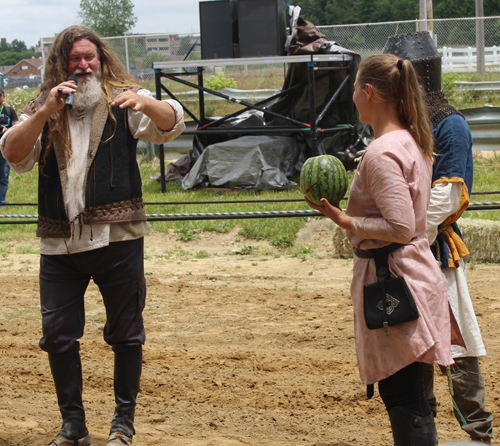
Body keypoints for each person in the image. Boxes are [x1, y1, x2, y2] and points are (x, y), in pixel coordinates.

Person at [0, 26, 185, 446]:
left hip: (117, 239)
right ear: (61, 63)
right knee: (58, 334)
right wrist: (45, 112)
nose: (83, 66)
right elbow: (13, 155)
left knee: (126, 332)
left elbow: (172, 122)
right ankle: (73, 427)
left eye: (90, 58)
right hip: (59, 243)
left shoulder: (124, 96)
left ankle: (122, 425)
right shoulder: (42, 104)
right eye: (74, 59)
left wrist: (148, 101)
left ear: (100, 60)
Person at [305, 53, 453, 446]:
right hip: (414, 275)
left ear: (368, 92)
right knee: (416, 395)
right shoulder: (411, 138)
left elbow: (401, 227)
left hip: (394, 280)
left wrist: (346, 221)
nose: (353, 93)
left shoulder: (382, 151)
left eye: (354, 86)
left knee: (404, 397)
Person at [383, 31, 493, 444]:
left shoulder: (451, 125)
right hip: (402, 254)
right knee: (413, 346)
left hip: (434, 253)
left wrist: (403, 237)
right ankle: (423, 431)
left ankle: (477, 434)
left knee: (457, 345)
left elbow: (447, 194)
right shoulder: (398, 127)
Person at [0, 88, 19, 206]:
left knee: (3, 175)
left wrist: (7, 131)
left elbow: (17, 128)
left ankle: (1, 201)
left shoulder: (9, 111)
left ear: (3, 96)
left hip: (4, 148)